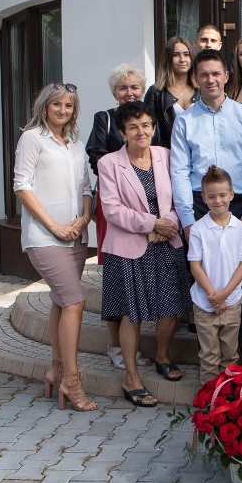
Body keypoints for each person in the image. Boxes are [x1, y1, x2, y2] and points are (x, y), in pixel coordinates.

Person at [170, 49, 242, 365]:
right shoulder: (184, 122)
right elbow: (180, 173)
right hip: (200, 208)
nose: (210, 80)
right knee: (205, 280)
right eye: (204, 75)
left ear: (227, 76)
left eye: (216, 73)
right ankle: (210, 359)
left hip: (239, 208)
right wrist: (187, 219)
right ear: (196, 80)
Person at [97, 101, 191, 401]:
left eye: (146, 125)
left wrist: (170, 224)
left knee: (170, 308)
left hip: (167, 242)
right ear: (123, 132)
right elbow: (112, 210)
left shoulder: (166, 155)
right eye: (133, 127)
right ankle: (131, 377)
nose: (141, 132)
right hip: (129, 248)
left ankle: (163, 357)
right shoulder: (109, 163)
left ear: (153, 127)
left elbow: (180, 199)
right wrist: (153, 224)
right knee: (131, 313)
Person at [13, 82, 96, 412]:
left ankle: (55, 369)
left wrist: (84, 218)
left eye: (69, 106)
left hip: (75, 235)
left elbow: (87, 186)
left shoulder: (74, 143)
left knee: (62, 303)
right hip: (45, 237)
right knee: (75, 301)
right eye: (57, 104)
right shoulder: (32, 138)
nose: (63, 110)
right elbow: (22, 187)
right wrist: (54, 225)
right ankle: (72, 382)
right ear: (45, 106)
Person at [85, 63, 156, 371]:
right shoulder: (105, 118)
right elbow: (96, 154)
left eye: (135, 87)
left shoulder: (146, 118)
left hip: (146, 205)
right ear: (114, 92)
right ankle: (116, 347)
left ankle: (131, 344)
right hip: (114, 205)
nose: (130, 93)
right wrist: (124, 173)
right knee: (116, 279)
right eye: (123, 88)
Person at [188, 166, 242, 384]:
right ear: (203, 197)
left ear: (232, 194)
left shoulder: (241, 228)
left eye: (223, 195)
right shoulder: (198, 229)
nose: (218, 201)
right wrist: (213, 295)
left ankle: (227, 397)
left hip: (232, 302)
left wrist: (224, 294)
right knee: (209, 355)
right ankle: (209, 402)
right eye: (212, 196)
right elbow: (195, 266)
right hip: (205, 304)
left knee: (230, 355)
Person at [144, 37, 199, 148]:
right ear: (168, 59)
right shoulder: (155, 93)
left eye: (186, 54)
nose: (182, 59)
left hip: (199, 155)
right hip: (167, 155)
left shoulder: (201, 90)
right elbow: (149, 129)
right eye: (176, 55)